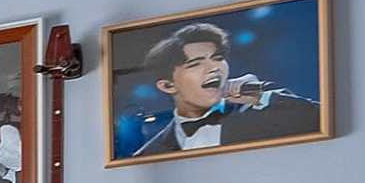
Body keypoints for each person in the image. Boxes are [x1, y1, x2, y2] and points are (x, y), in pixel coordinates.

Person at [118, 20, 319, 158]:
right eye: (195, 63)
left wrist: (260, 96)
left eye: (218, 58)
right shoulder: (150, 153)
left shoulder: (262, 110)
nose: (214, 68)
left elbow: (324, 119)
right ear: (168, 85)